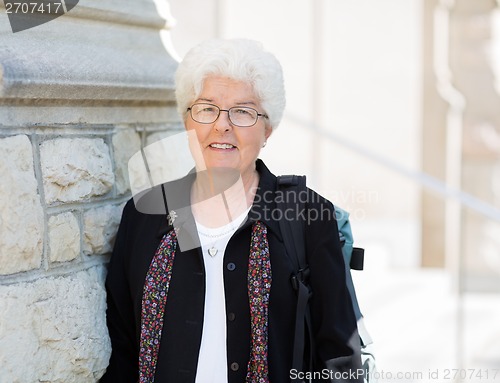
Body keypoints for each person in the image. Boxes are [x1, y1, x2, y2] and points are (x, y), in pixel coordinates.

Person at [101, 38, 362, 383]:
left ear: (267, 129)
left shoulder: (307, 215)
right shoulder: (146, 215)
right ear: (187, 121)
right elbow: (122, 347)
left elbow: (340, 355)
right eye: (207, 108)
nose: (222, 125)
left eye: (242, 111)